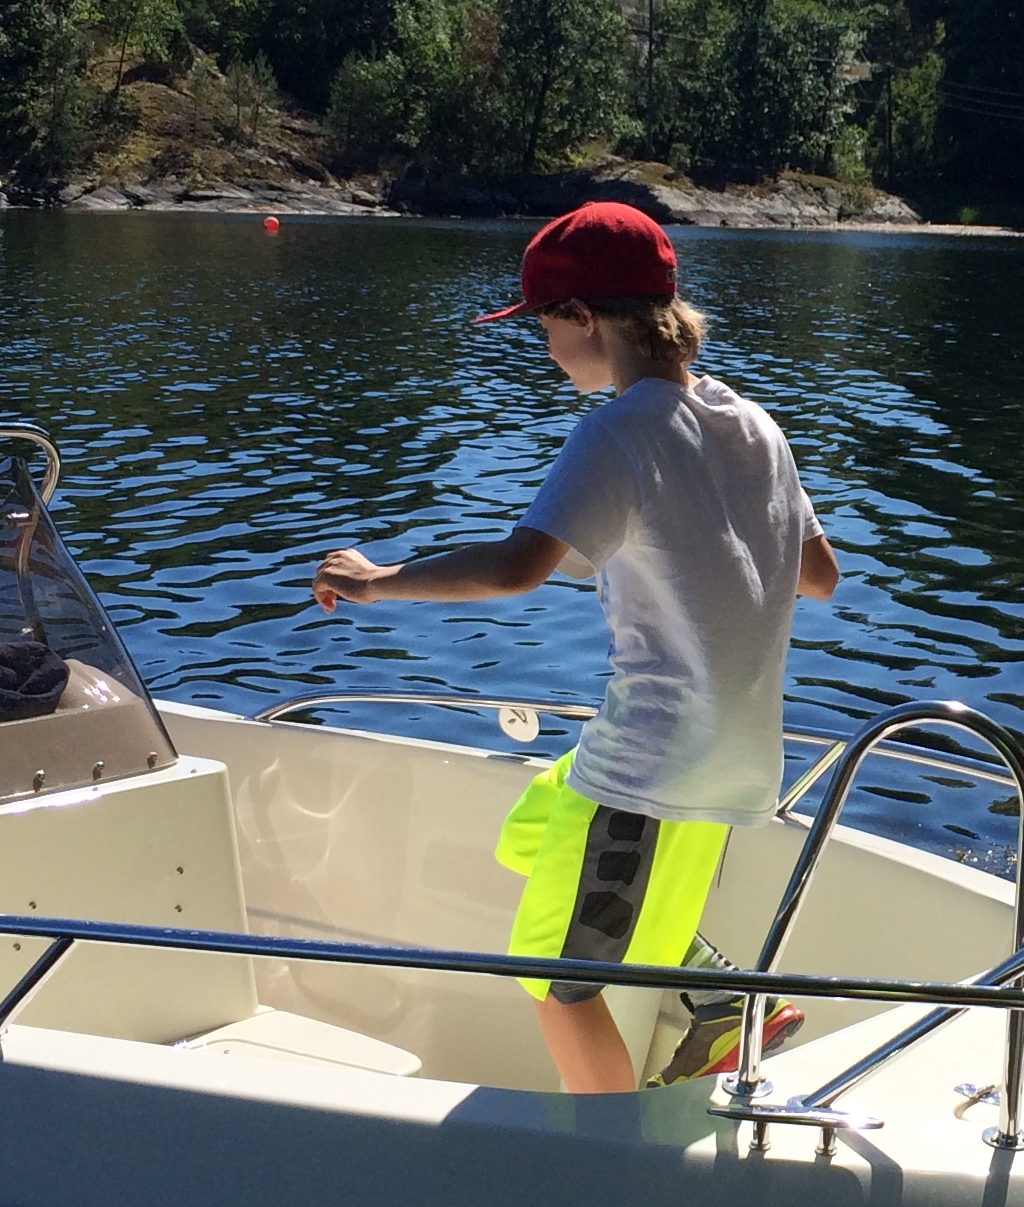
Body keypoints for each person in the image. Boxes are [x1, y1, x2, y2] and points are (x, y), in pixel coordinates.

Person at [308, 202, 839, 1093]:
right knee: (534, 825)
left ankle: (604, 1153)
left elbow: (515, 569)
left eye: (544, 326)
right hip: (740, 758)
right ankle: (714, 995)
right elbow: (816, 574)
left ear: (585, 316)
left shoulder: (619, 429)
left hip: (648, 766)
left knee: (559, 981)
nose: (547, 348)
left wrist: (376, 580)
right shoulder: (753, 424)